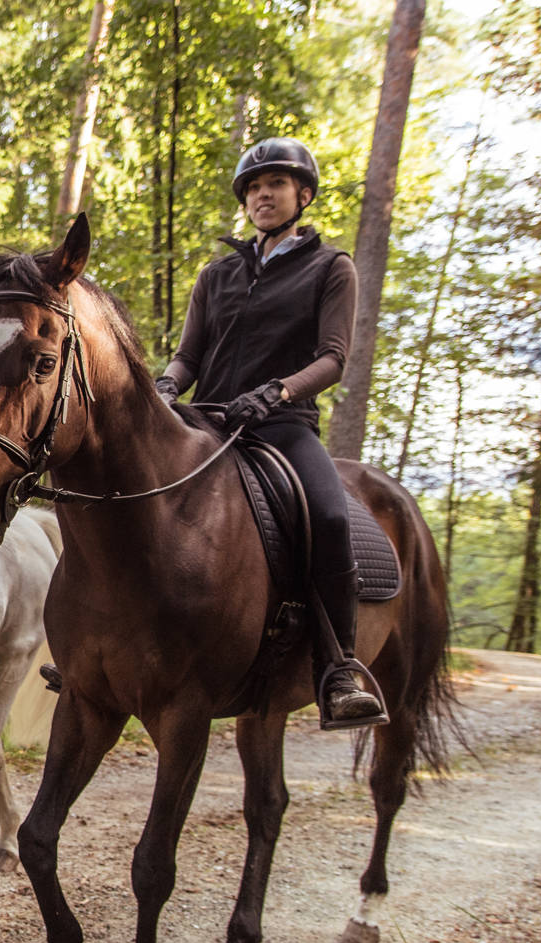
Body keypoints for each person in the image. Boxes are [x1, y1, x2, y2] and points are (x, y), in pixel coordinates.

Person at [156, 136, 386, 729]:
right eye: (254, 188)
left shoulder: (331, 267)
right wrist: (163, 386)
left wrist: (279, 391)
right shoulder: (217, 275)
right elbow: (189, 356)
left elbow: (334, 358)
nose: (263, 195)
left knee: (330, 517)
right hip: (206, 419)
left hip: (281, 425)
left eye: (276, 185)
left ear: (302, 195)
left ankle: (339, 666)